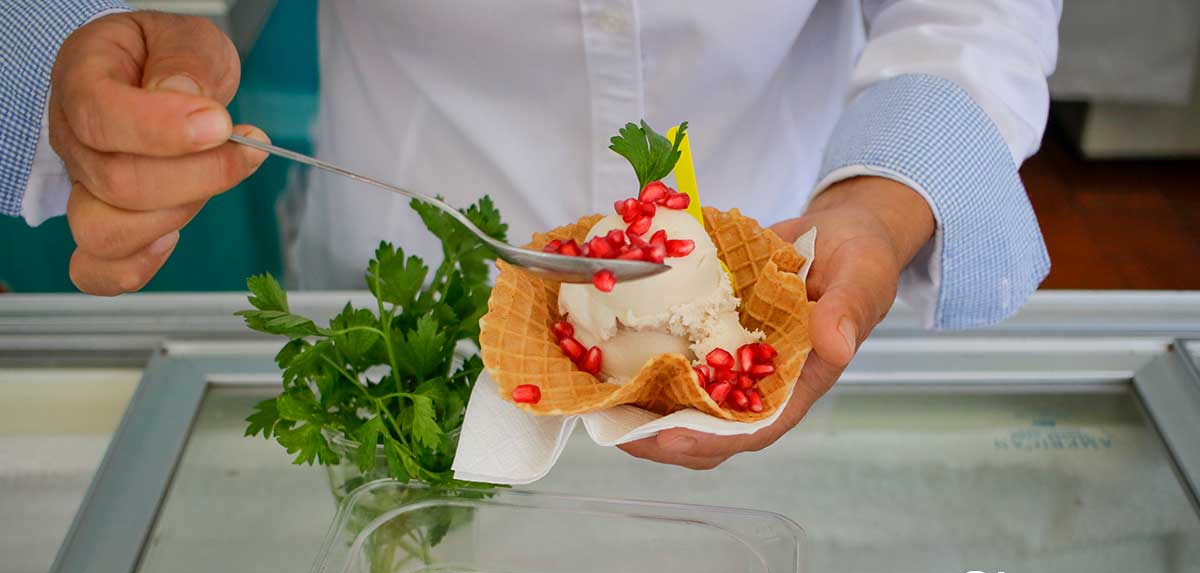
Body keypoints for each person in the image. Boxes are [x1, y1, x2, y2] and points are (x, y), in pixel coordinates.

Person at [0, 1, 1059, 468]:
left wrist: (883, 198)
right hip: (410, 308)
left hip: (799, 273)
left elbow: (970, 11)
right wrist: (107, 49)